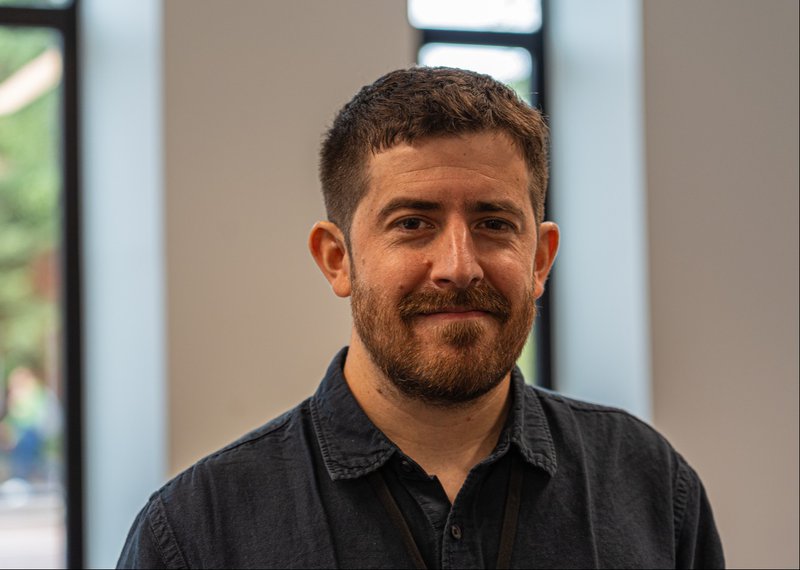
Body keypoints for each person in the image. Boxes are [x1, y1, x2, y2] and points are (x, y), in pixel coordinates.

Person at [118, 67, 724, 569]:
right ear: (338, 260)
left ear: (540, 259)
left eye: (493, 223)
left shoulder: (651, 490)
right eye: (412, 223)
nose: (459, 267)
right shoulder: (199, 534)